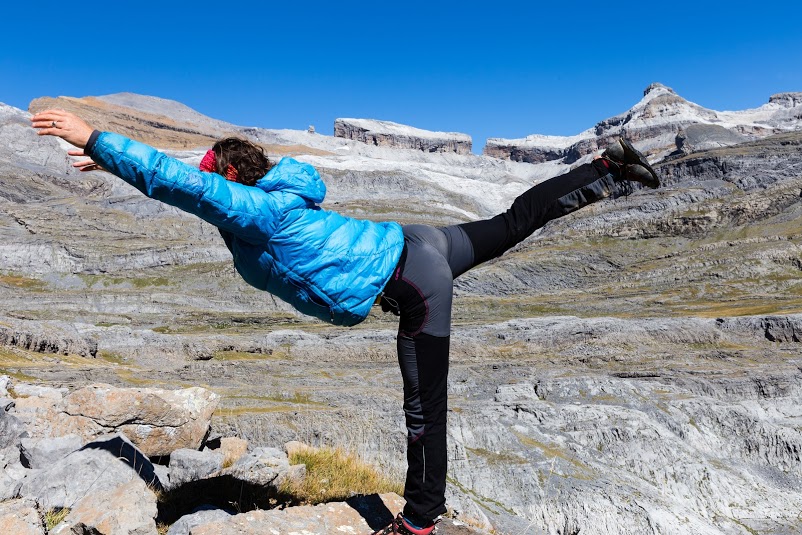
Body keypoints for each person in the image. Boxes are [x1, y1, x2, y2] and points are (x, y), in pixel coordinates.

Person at [31, 109, 659, 535]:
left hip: (413, 282)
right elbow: (193, 183)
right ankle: (609, 168)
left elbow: (178, 184)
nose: (204, 182)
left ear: (226, 181)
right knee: (513, 221)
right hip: (419, 243)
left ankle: (418, 520)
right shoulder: (280, 193)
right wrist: (110, 165)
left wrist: (98, 141)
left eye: (210, 174)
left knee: (424, 409)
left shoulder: (255, 214)